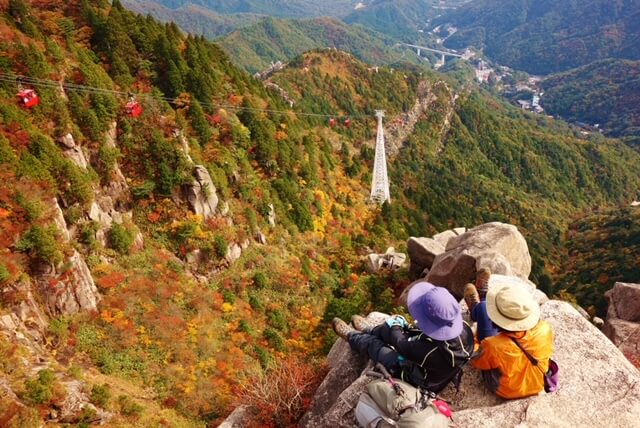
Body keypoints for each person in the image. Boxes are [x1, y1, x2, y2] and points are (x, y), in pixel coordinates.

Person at [332, 282, 474, 393]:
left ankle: (353, 336)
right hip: (434, 361)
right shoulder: (464, 329)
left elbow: (400, 344)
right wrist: (397, 327)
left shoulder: (428, 352)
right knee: (389, 329)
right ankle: (370, 330)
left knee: (376, 347)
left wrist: (395, 325)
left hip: (420, 378)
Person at [471, 282, 554, 399]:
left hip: (506, 391)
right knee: (483, 309)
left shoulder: (493, 345)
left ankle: (479, 304)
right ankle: (481, 300)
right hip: (538, 385)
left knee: (483, 308)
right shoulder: (545, 329)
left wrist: (474, 340)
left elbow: (477, 362)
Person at [464, 267, 499, 342]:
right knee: (489, 304)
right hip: (505, 342)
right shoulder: (528, 336)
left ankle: (474, 308)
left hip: (488, 346)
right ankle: (483, 296)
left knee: (483, 306)